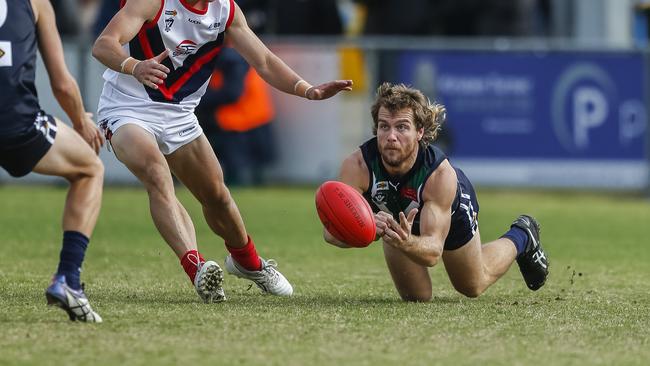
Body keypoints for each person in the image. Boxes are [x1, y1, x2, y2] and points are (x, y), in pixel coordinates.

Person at [92, 0, 352, 302]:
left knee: (216, 195)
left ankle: (249, 263)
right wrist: (134, 66)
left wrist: (307, 89)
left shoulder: (226, 10)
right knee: (157, 173)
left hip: (179, 113)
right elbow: (103, 45)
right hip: (127, 108)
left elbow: (264, 61)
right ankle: (197, 267)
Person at [323, 83, 548, 301]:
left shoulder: (438, 175)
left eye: (401, 127)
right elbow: (332, 234)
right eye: (384, 126)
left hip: (450, 210)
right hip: (399, 223)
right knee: (417, 297)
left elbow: (433, 253)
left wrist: (404, 241)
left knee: (472, 285)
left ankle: (522, 235)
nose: (391, 136)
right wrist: (369, 225)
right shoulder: (358, 166)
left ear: (420, 132)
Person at [0, 0, 105, 321]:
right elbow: (61, 82)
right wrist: (81, 121)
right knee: (90, 168)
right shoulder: (36, 3)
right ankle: (67, 280)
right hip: (15, 123)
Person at [197, 46, 277, 186]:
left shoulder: (230, 59)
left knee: (237, 171)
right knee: (251, 168)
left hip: (240, 118)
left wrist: (200, 100)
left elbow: (232, 93)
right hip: (251, 115)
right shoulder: (237, 53)